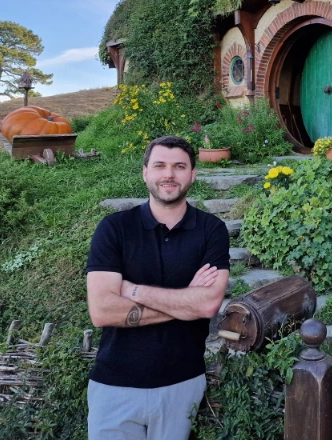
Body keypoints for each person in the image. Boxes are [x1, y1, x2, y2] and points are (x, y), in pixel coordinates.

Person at [85, 135, 230, 439]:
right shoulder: (114, 228)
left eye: (179, 166)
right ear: (145, 172)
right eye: (160, 165)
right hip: (114, 386)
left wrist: (132, 290)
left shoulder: (211, 230)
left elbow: (206, 306)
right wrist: (184, 303)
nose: (169, 174)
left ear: (192, 174)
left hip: (181, 383)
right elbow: (101, 311)